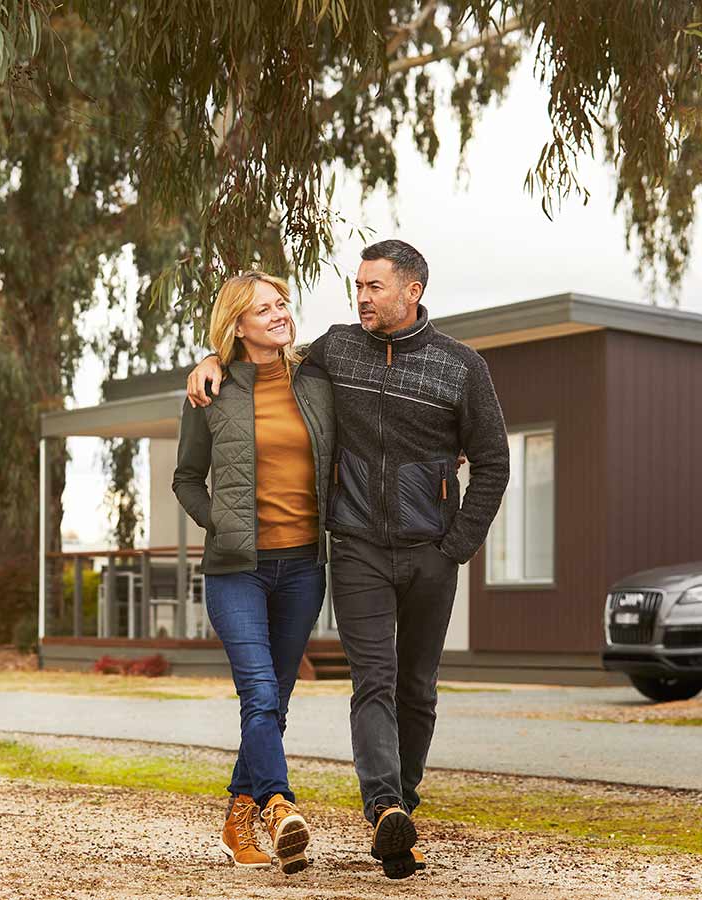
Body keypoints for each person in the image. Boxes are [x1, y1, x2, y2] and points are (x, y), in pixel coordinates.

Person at [185, 240, 508, 879]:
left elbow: (493, 462)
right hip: (356, 548)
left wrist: (456, 548)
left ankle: (399, 816)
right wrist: (205, 360)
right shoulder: (338, 348)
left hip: (430, 554)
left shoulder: (461, 368)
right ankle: (376, 802)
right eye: (356, 285)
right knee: (373, 681)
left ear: (412, 291)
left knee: (417, 689)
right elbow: (253, 361)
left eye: (374, 287)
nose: (360, 297)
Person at [172, 271, 337, 875]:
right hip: (236, 569)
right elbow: (185, 478)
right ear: (237, 324)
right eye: (263, 309)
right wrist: (223, 523)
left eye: (282, 304)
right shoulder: (211, 390)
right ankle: (277, 804)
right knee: (260, 693)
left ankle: (238, 815)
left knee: (275, 703)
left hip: (302, 567)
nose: (279, 315)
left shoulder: (315, 380)